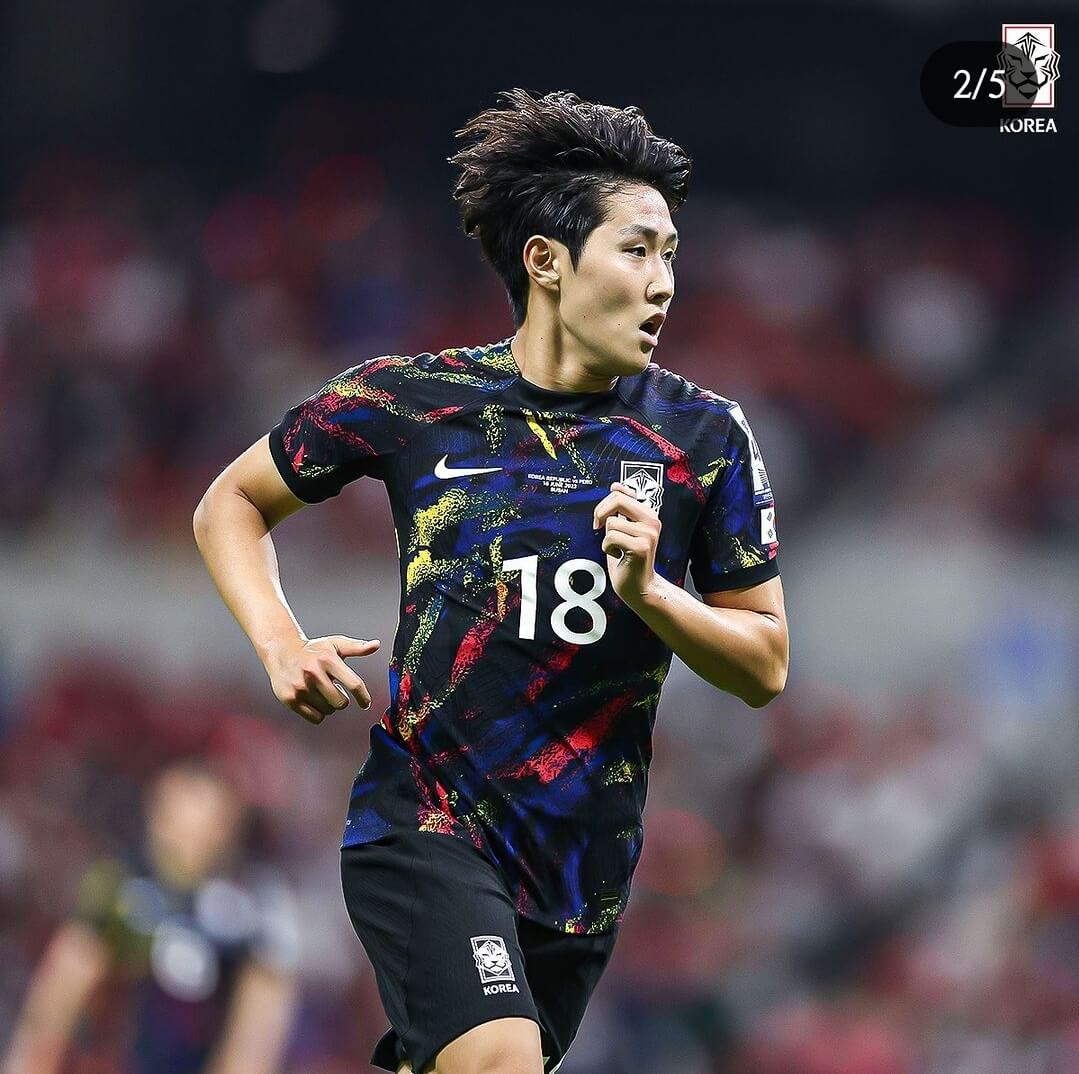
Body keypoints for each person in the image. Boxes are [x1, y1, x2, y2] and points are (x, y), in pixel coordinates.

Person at [192, 87, 789, 1074]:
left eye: (670, 255)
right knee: (497, 1061)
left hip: (580, 873)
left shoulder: (703, 436)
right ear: (547, 262)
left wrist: (652, 594)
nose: (662, 284)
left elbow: (763, 665)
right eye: (636, 250)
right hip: (426, 825)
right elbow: (232, 503)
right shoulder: (414, 401)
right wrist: (278, 641)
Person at [2, 760, 299, 1074]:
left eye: (201, 828)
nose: (185, 842)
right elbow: (56, 1002)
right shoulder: (118, 888)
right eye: (176, 823)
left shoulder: (253, 907)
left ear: (224, 829)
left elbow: (256, 1035)